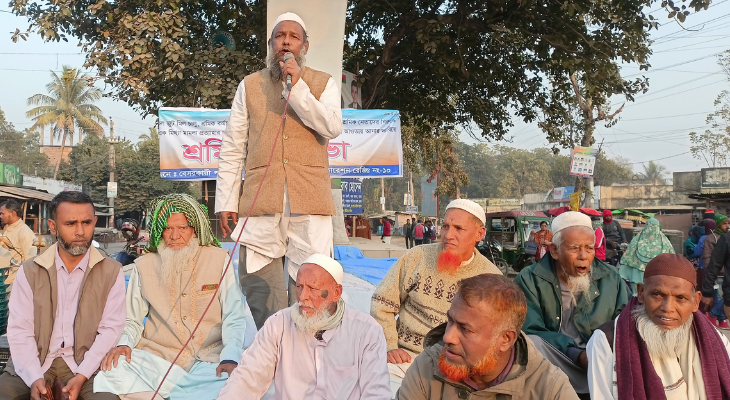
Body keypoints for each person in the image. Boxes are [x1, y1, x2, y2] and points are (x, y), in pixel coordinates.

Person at [215, 12, 343, 329]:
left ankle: (311, 354)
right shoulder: (249, 86)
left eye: (293, 36)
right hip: (262, 200)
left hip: (309, 201)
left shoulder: (323, 83)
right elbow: (233, 146)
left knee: (312, 283)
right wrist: (226, 201)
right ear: (271, 44)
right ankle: (273, 349)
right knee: (259, 283)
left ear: (305, 46)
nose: (285, 41)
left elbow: (331, 127)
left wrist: (298, 88)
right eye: (279, 36)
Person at [94, 194, 246, 400]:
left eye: (182, 228)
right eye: (167, 228)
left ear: (194, 229)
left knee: (239, 383)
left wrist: (230, 357)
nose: (175, 236)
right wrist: (124, 344)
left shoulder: (219, 260)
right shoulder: (144, 265)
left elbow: (234, 316)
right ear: (159, 231)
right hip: (158, 358)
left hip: (208, 360)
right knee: (113, 370)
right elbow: (132, 319)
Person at [0, 191, 125, 400]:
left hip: (88, 365)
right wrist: (33, 377)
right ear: (53, 226)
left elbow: (110, 329)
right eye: (70, 223)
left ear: (95, 222)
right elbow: (20, 330)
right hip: (34, 361)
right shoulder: (30, 271)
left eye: (86, 223)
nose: (80, 231)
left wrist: (82, 375)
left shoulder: (112, 271)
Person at [370, 199, 501, 396]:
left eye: (459, 228)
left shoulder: (491, 279)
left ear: (479, 234)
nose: (449, 235)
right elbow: (382, 304)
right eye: (446, 226)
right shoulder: (417, 257)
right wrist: (389, 346)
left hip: (456, 369)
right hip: (404, 358)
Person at [217, 254, 390, 400]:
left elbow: (376, 393)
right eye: (299, 287)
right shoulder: (279, 324)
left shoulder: (366, 332)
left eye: (313, 288)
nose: (302, 297)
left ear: (336, 293)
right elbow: (248, 376)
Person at [396, 274, 579, 399]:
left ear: (506, 339)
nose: (448, 337)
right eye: (450, 320)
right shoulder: (428, 365)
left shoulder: (549, 388)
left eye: (465, 329)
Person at [514, 211, 631, 395]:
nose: (583, 256)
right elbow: (530, 329)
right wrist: (576, 354)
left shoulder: (610, 277)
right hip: (558, 360)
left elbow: (625, 321)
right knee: (532, 344)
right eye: (575, 248)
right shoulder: (530, 279)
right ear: (554, 251)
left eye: (589, 248)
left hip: (601, 361)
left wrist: (597, 351)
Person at [587, 253, 730, 399]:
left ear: (695, 302)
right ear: (641, 293)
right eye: (657, 294)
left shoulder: (717, 342)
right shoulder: (607, 341)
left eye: (680, 298)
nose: (668, 308)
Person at [618, 218, 675, 293]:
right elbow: (672, 259)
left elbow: (628, 256)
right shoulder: (665, 243)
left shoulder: (636, 241)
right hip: (658, 280)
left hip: (638, 279)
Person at [0, 199, 38, 287]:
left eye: (2, 213)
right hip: (3, 279)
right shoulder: (8, 228)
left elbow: (30, 261)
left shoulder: (25, 232)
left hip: (13, 283)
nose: (0, 216)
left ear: (13, 213)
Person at [703, 214, 730, 328]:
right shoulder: (714, 238)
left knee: (720, 298)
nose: (727, 225)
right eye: (724, 223)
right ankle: (716, 317)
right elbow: (712, 262)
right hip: (720, 277)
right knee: (719, 297)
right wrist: (707, 291)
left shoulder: (726, 238)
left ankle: (715, 316)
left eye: (728, 223)